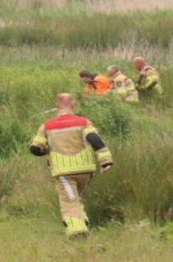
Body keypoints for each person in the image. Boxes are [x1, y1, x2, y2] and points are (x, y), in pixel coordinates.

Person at [29, 93, 114, 239]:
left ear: (57, 106)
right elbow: (94, 138)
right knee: (75, 198)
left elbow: (35, 149)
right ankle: (82, 220)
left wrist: (46, 149)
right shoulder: (83, 122)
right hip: (85, 170)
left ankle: (77, 231)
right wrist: (106, 160)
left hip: (64, 172)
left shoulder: (47, 125)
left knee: (69, 201)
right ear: (73, 106)